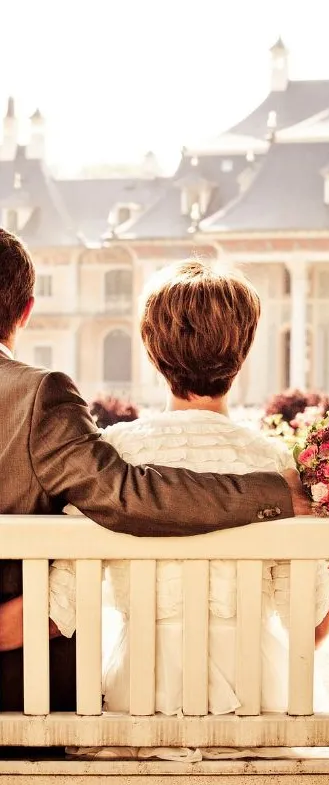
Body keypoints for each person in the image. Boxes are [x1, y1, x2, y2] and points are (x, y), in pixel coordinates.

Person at [0, 230, 300, 712]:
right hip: (256, 701)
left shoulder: (120, 447)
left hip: (141, 698)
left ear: (151, 348)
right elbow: (308, 619)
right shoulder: (275, 465)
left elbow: (57, 608)